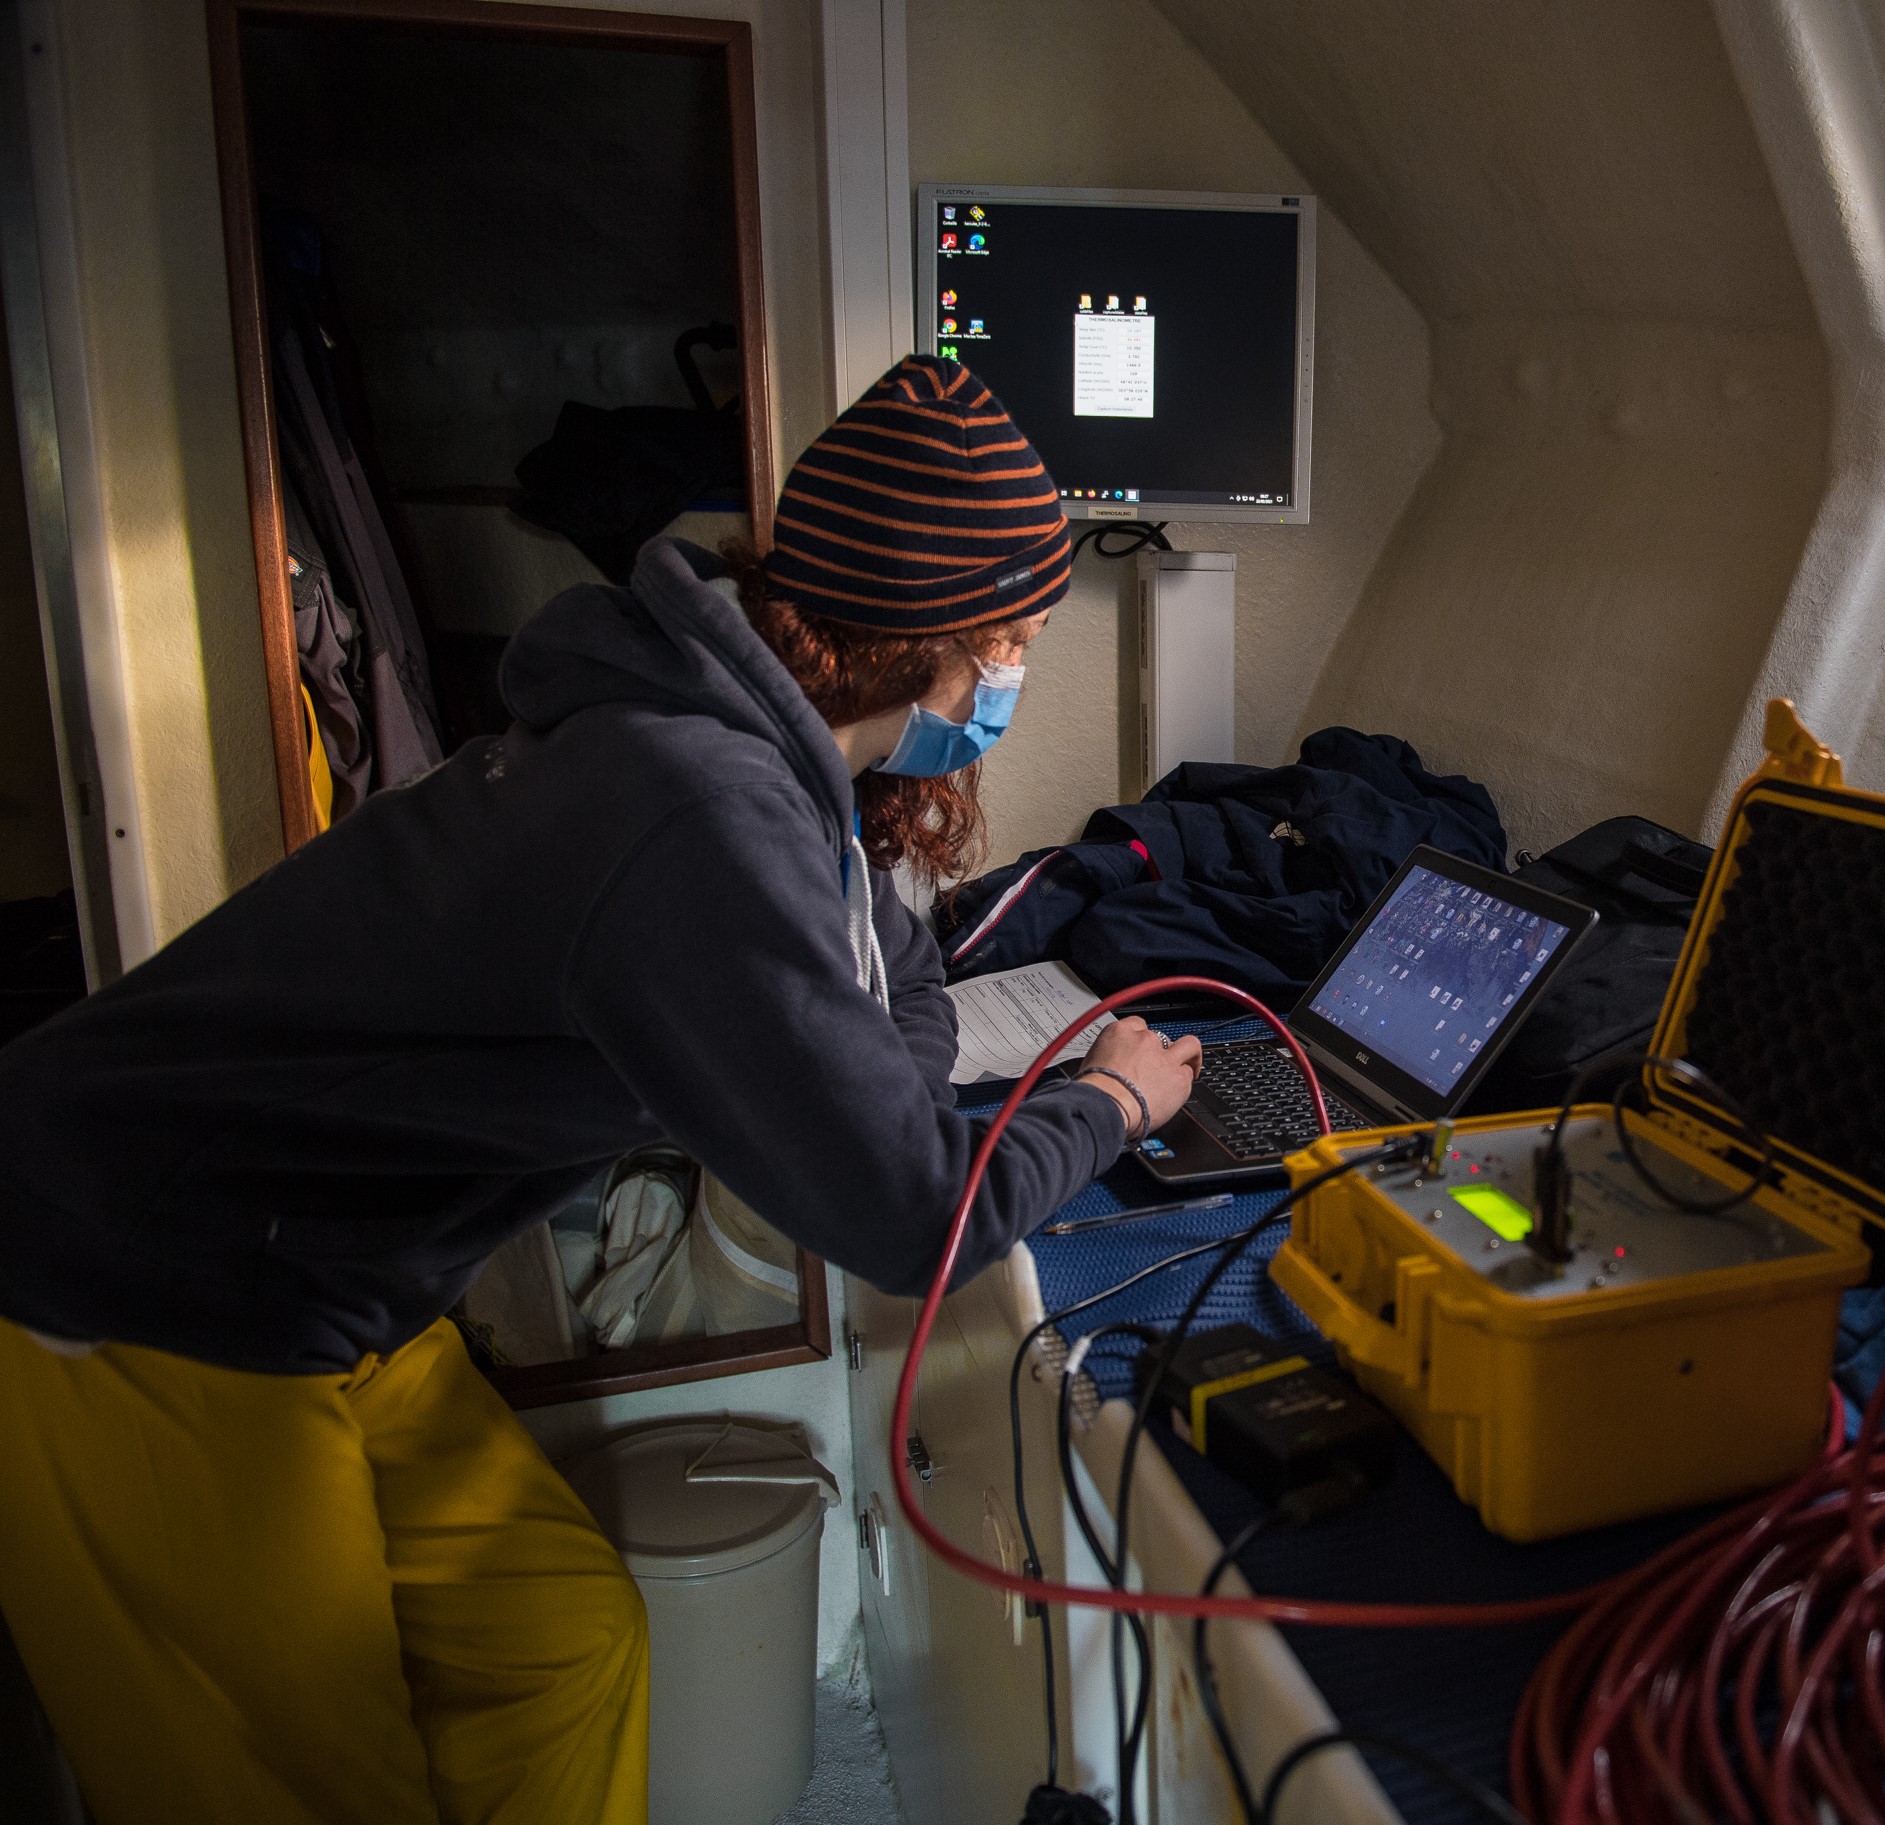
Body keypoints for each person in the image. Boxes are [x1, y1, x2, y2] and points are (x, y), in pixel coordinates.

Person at [0, 355, 1201, 1824]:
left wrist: (874, 1070)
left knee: (561, 1644)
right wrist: (1113, 1103)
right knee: (299, 1784)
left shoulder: (769, 764)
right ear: (927, 644)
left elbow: (901, 978)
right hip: (138, 1273)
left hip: (338, 1277)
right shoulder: (691, 807)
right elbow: (914, 1218)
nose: (1014, 674)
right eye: (1011, 638)